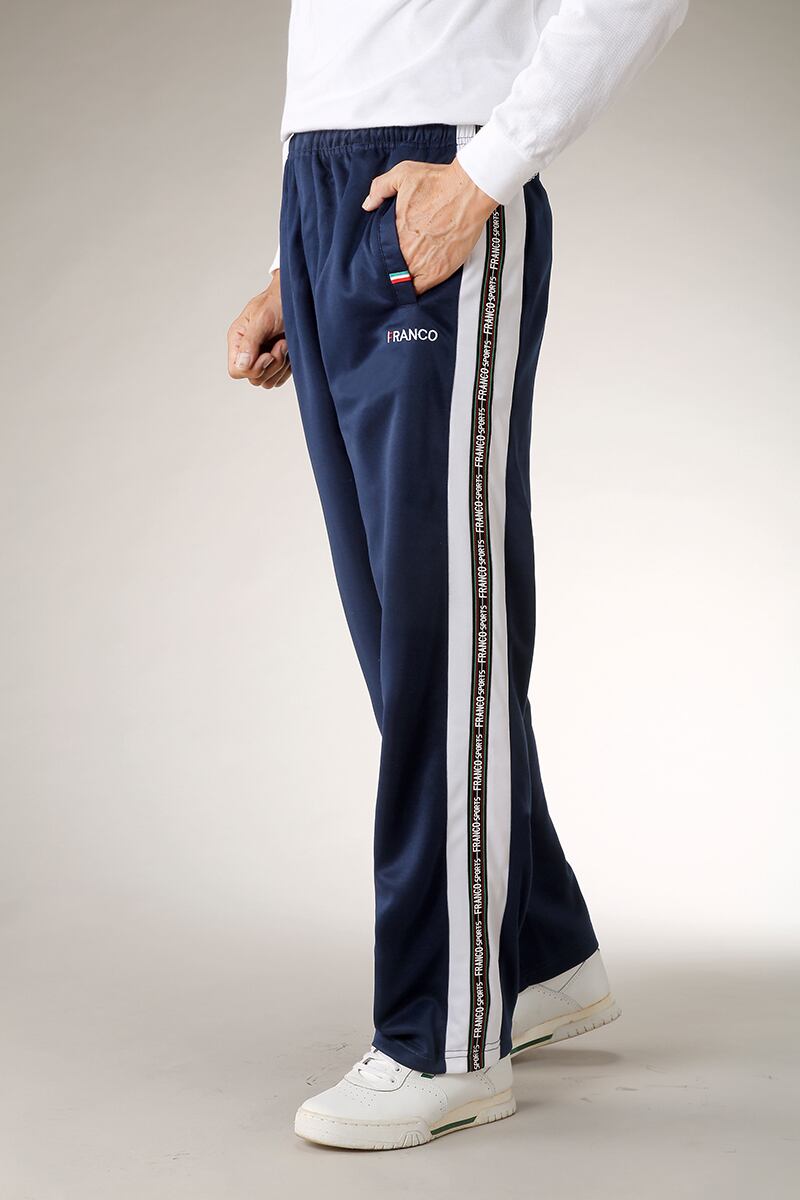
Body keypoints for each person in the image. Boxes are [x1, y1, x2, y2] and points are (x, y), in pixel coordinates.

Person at [227, 0, 688, 1151]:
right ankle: (535, 956)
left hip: (434, 170)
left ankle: (444, 1038)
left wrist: (484, 170)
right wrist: (294, 259)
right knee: (402, 636)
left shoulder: (460, 175)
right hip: (326, 194)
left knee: (440, 631)